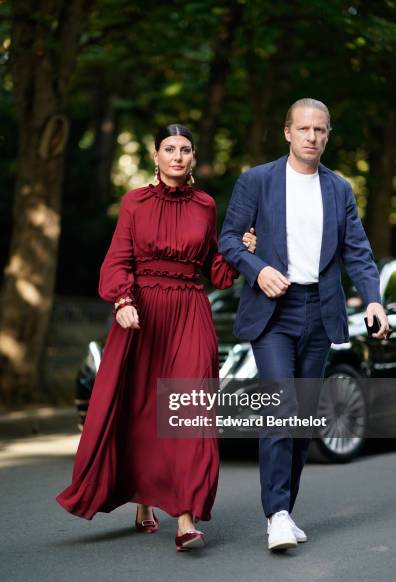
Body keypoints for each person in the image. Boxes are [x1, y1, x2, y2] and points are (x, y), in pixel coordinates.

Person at [56, 124, 256, 552]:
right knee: (142, 408)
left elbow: (216, 271)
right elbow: (117, 260)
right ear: (156, 156)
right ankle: (144, 496)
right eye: (170, 149)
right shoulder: (134, 202)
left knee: (190, 409)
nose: (178, 157)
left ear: (193, 158)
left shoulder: (205, 205)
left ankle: (185, 516)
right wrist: (122, 301)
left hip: (189, 309)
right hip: (141, 313)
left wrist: (242, 251)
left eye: (185, 150)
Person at [219, 98, 389, 552]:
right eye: (304, 129)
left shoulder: (339, 189)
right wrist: (257, 269)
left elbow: (358, 251)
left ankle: (285, 508)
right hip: (273, 310)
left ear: (327, 136)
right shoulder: (256, 181)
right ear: (287, 132)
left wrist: (373, 300)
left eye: (320, 130)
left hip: (320, 309)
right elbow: (229, 239)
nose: (312, 137)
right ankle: (275, 513)